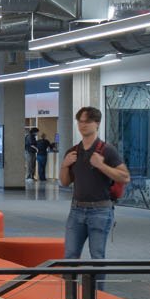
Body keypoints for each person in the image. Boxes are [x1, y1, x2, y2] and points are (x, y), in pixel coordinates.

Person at [59, 107, 128, 260]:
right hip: (76, 210)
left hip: (100, 211)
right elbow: (64, 182)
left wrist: (101, 165)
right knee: (70, 255)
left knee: (97, 256)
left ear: (97, 123)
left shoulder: (107, 150)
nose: (82, 125)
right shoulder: (73, 151)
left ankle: (97, 285)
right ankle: (71, 285)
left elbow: (125, 177)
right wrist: (64, 165)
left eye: (87, 122)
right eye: (80, 121)